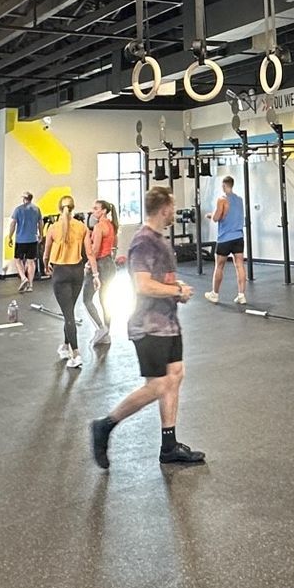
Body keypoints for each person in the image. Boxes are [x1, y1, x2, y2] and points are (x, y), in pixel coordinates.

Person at [90, 186, 204, 468]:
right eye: (172, 206)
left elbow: (159, 281)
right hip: (149, 325)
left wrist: (177, 290)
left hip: (168, 324)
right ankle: (105, 425)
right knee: (158, 385)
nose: (174, 211)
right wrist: (176, 290)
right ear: (164, 208)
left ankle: (169, 446)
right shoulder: (143, 242)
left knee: (175, 376)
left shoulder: (159, 240)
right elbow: (142, 285)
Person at [45, 194, 91, 369]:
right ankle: (65, 346)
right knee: (69, 311)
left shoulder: (53, 228)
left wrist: (46, 266)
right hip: (77, 272)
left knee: (69, 314)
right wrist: (93, 272)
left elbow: (46, 254)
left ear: (59, 209)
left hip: (61, 273)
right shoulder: (82, 227)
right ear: (73, 208)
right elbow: (88, 253)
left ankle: (76, 353)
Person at [203, 174, 248, 305]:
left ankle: (215, 294)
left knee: (219, 266)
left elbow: (217, 218)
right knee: (239, 265)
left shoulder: (222, 199)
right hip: (238, 237)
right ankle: (241, 295)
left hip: (225, 239)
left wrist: (210, 215)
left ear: (223, 185)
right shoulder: (239, 200)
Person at [83, 200, 118, 347]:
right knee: (105, 301)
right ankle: (106, 334)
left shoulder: (99, 227)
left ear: (103, 211)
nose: (93, 211)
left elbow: (95, 251)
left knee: (87, 299)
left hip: (100, 265)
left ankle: (101, 328)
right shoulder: (111, 225)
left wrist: (89, 266)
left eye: (96, 208)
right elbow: (113, 246)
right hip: (110, 264)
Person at [10, 190, 42, 292]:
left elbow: (13, 224)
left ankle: (23, 278)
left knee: (17, 260)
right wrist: (41, 234)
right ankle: (30, 285)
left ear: (24, 199)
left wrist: (10, 236)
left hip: (21, 240)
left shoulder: (18, 210)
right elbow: (40, 223)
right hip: (33, 239)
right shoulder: (36, 209)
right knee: (31, 261)